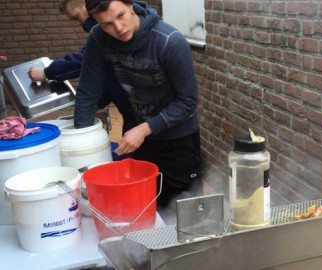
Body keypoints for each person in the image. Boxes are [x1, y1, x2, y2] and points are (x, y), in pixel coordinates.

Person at [76, 0, 203, 208]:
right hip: (142, 140)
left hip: (179, 140)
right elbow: (87, 94)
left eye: (120, 15)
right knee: (148, 205)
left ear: (131, 5)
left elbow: (188, 102)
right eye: (107, 24)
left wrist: (144, 129)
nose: (118, 28)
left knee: (185, 210)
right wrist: (80, 150)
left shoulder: (169, 41)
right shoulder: (98, 39)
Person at [27, 0, 135, 133]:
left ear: (86, 5)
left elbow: (85, 60)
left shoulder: (105, 30)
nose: (79, 23)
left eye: (77, 17)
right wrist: (98, 100)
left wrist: (47, 72)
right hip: (131, 112)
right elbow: (107, 71)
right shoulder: (101, 33)